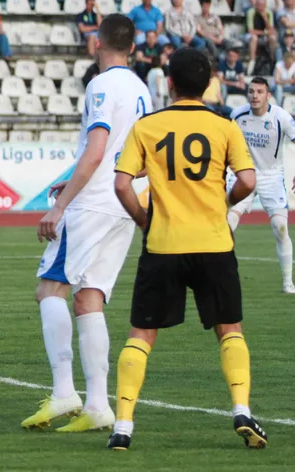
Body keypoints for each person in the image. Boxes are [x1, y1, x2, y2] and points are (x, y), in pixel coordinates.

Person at [110, 47, 267, 451]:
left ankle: (123, 425)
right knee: (229, 328)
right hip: (213, 242)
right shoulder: (224, 126)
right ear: (210, 83)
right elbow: (248, 181)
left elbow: (122, 183)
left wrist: (143, 219)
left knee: (142, 334)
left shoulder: (147, 126)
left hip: (163, 244)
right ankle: (241, 409)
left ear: (170, 83)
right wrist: (226, 203)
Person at [26, 15, 151, 432]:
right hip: (123, 202)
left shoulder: (101, 85)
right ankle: (98, 405)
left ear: (97, 43)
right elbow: (134, 154)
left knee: (50, 289)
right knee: (89, 298)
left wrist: (60, 206)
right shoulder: (141, 89)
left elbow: (96, 150)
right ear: (132, 47)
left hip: (92, 205)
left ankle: (64, 392)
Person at [227, 78, 294, 291]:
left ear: (268, 95)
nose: (255, 96)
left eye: (259, 92)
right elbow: (225, 144)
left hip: (271, 176)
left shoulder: (281, 117)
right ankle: (222, 277)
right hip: (243, 174)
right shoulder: (237, 115)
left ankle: (288, 282)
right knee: (227, 223)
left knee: (280, 227)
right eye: (251, 91)